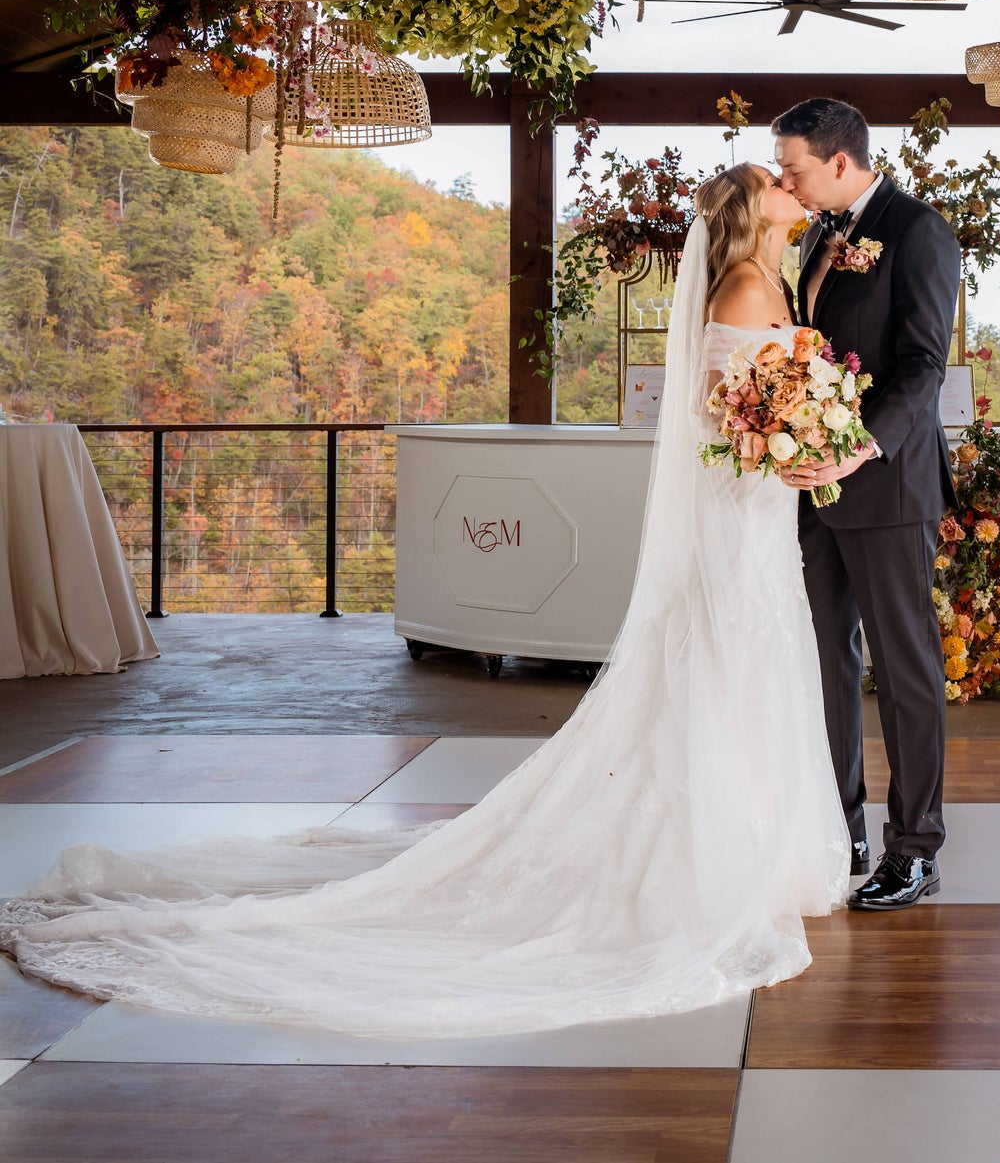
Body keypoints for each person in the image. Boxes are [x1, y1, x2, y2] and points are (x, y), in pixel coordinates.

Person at [0, 165, 849, 1038]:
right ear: (753, 212)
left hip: (757, 512)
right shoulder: (748, 283)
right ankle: (713, 863)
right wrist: (793, 430)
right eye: (774, 181)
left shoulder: (773, 274)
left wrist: (806, 424)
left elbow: (756, 403)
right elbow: (729, 412)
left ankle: (755, 850)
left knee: (746, 663)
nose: (790, 185)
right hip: (742, 512)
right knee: (727, 665)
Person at [774, 97, 961, 912]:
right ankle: (839, 829)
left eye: (795, 168)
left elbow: (922, 366)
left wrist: (861, 443)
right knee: (826, 662)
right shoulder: (819, 232)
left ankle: (913, 849)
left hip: (887, 484)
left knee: (906, 668)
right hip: (815, 488)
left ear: (840, 161)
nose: (786, 180)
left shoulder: (918, 230)